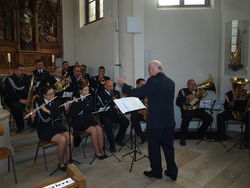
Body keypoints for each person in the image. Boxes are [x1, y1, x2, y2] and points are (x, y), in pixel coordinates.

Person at [117, 60, 178, 181]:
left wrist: (123, 84)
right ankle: (172, 172)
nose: (149, 72)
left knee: (154, 149)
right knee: (168, 148)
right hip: (169, 122)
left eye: (149, 70)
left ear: (152, 69)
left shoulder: (153, 81)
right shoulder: (171, 82)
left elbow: (136, 92)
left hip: (156, 123)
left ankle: (156, 172)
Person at [31, 86, 73, 171]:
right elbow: (35, 124)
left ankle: (68, 160)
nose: (52, 96)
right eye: (49, 94)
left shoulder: (55, 101)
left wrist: (66, 109)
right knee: (62, 140)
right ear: (44, 96)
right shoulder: (38, 103)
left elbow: (57, 115)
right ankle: (61, 163)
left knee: (70, 137)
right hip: (44, 129)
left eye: (53, 93)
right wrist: (32, 117)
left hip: (55, 126)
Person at [67, 82, 107, 159]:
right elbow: (72, 114)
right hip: (79, 121)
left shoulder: (89, 97)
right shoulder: (75, 98)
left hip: (88, 119)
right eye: (85, 90)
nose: (87, 92)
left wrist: (80, 104)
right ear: (80, 91)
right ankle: (97, 152)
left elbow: (90, 109)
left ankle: (101, 149)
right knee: (94, 130)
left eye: (88, 90)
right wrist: (73, 104)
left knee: (99, 129)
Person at [176, 79, 213, 146]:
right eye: (191, 84)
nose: (193, 86)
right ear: (188, 85)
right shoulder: (183, 91)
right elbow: (177, 102)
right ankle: (183, 137)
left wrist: (200, 100)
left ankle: (200, 133)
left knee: (209, 118)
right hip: (187, 110)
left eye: (194, 84)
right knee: (186, 117)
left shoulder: (198, 92)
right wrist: (186, 97)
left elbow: (200, 103)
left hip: (197, 110)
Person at [97, 80, 129, 153]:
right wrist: (112, 104)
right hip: (105, 115)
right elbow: (101, 105)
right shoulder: (100, 94)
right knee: (108, 124)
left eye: (112, 86)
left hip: (115, 114)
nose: (112, 88)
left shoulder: (116, 93)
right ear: (105, 86)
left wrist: (120, 104)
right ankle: (112, 144)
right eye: (109, 86)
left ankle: (118, 139)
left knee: (126, 121)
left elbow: (120, 103)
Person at [4, 64, 29, 133]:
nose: (23, 72)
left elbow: (28, 88)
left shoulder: (25, 77)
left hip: (24, 99)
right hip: (12, 100)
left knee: (37, 101)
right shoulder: (9, 79)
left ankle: (32, 122)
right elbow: (10, 93)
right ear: (15, 70)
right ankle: (20, 126)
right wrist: (20, 100)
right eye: (21, 70)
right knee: (17, 107)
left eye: (24, 70)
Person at [130, 78, 147, 144]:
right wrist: (139, 111)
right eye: (142, 85)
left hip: (146, 112)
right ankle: (143, 136)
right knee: (133, 117)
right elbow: (131, 106)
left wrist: (146, 111)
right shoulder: (133, 94)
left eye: (145, 85)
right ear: (137, 85)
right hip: (137, 113)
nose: (144, 86)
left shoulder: (146, 92)